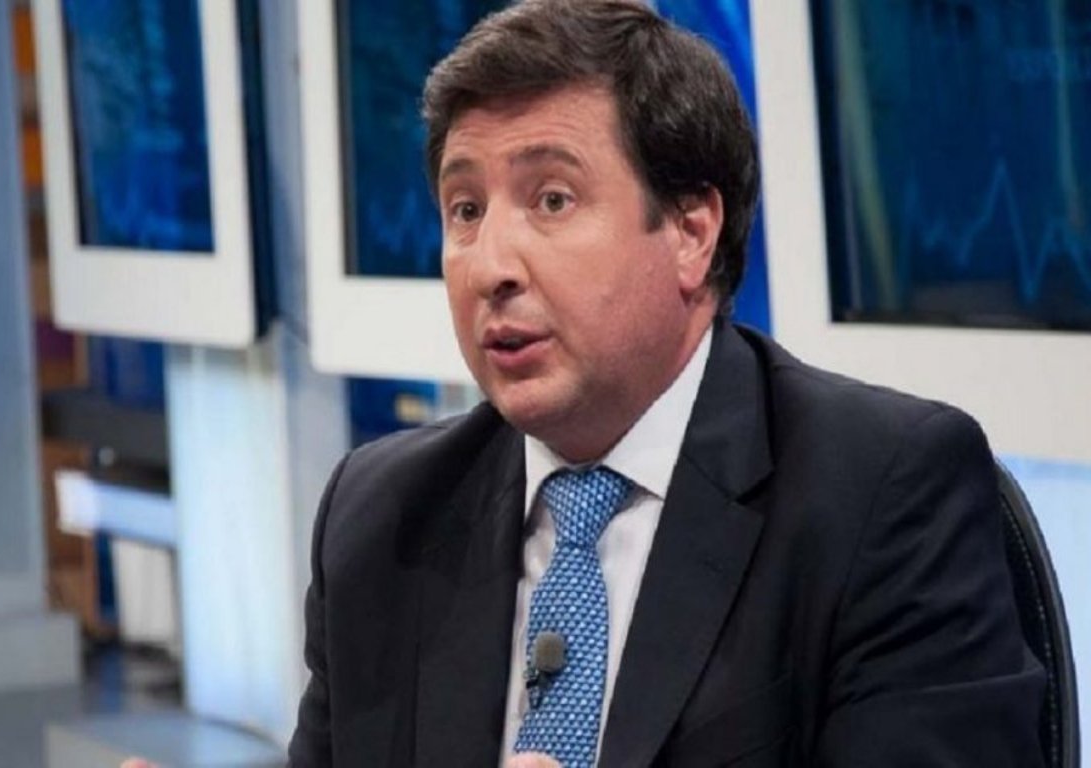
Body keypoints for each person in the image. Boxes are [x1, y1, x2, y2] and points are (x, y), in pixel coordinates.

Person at [288, 1, 1045, 766]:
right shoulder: (379, 516)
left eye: (552, 200)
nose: (490, 267)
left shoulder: (883, 495)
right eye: (466, 210)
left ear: (690, 232)